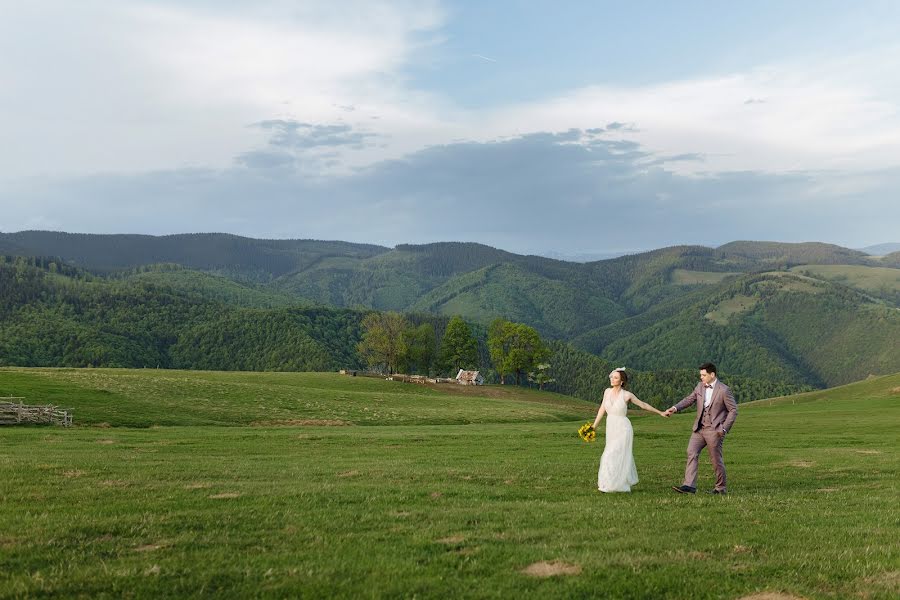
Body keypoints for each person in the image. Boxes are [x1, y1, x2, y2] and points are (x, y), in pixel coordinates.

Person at [663, 362, 737, 495]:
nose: (701, 378)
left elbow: (733, 410)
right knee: (691, 452)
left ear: (712, 375)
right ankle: (689, 486)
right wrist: (675, 408)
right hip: (699, 429)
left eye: (703, 375)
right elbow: (689, 399)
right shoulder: (699, 386)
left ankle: (720, 488)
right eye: (700, 375)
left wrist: (724, 429)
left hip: (714, 430)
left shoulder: (724, 390)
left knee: (715, 459)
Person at [591, 368, 667, 492]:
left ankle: (616, 484)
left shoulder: (627, 395)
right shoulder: (607, 392)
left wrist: (660, 412)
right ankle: (608, 483)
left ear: (621, 381)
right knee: (610, 454)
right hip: (611, 427)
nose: (612, 379)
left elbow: (643, 405)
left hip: (623, 428)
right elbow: (602, 409)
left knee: (613, 454)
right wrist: (594, 426)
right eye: (611, 377)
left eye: (615, 378)